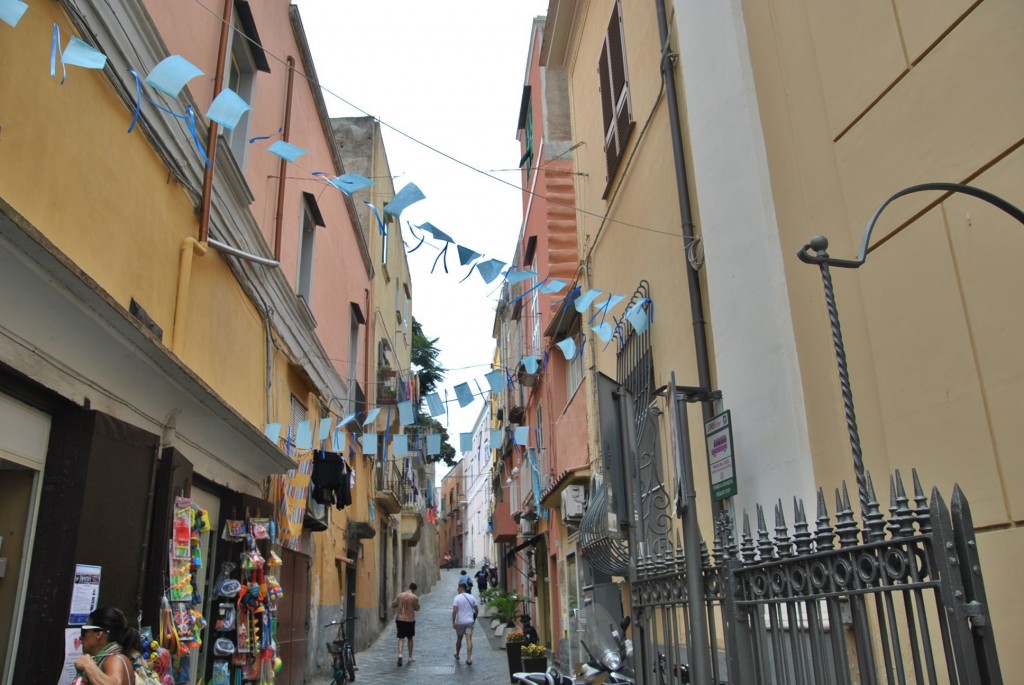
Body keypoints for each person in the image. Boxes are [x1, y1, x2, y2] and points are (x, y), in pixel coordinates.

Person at [73, 607, 142, 685]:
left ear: (98, 634)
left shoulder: (115, 659)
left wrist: (88, 665)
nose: (80, 637)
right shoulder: (109, 658)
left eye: (84, 631)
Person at [392, 582, 420, 666]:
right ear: (414, 590)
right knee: (410, 638)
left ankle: (400, 654)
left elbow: (394, 604)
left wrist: (399, 605)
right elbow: (417, 608)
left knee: (401, 637)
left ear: (408, 587)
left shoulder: (400, 595)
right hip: (410, 620)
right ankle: (410, 657)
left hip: (400, 619)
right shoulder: (414, 597)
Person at [451, 583, 479, 665]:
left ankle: (457, 654)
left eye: (458, 588)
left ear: (461, 588)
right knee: (469, 639)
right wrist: (473, 618)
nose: (457, 589)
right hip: (469, 622)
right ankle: (469, 658)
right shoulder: (471, 597)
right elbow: (477, 610)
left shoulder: (457, 598)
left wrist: (453, 622)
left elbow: (454, 611)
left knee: (459, 639)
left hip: (460, 622)